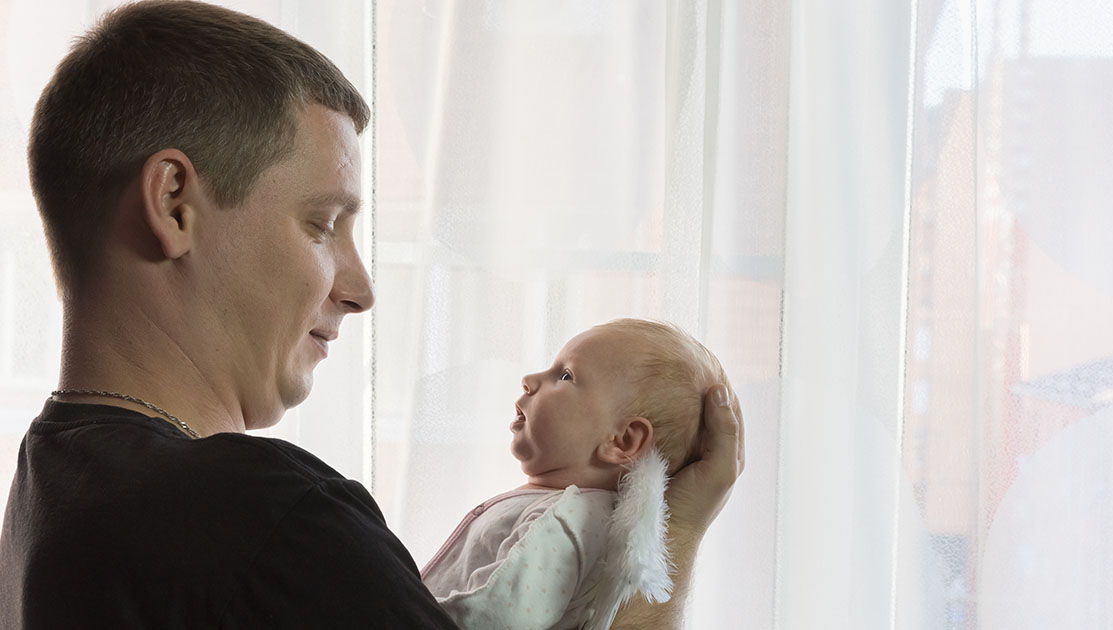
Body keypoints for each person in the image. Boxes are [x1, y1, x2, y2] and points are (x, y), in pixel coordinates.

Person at [0, 1, 744, 629]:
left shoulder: (48, 478)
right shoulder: (269, 517)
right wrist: (672, 531)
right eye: (323, 225)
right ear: (173, 205)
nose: (360, 289)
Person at [422, 319, 730, 629]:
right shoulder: (567, 510)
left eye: (565, 375)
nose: (528, 380)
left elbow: (496, 616)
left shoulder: (568, 519)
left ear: (622, 441)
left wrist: (406, 606)